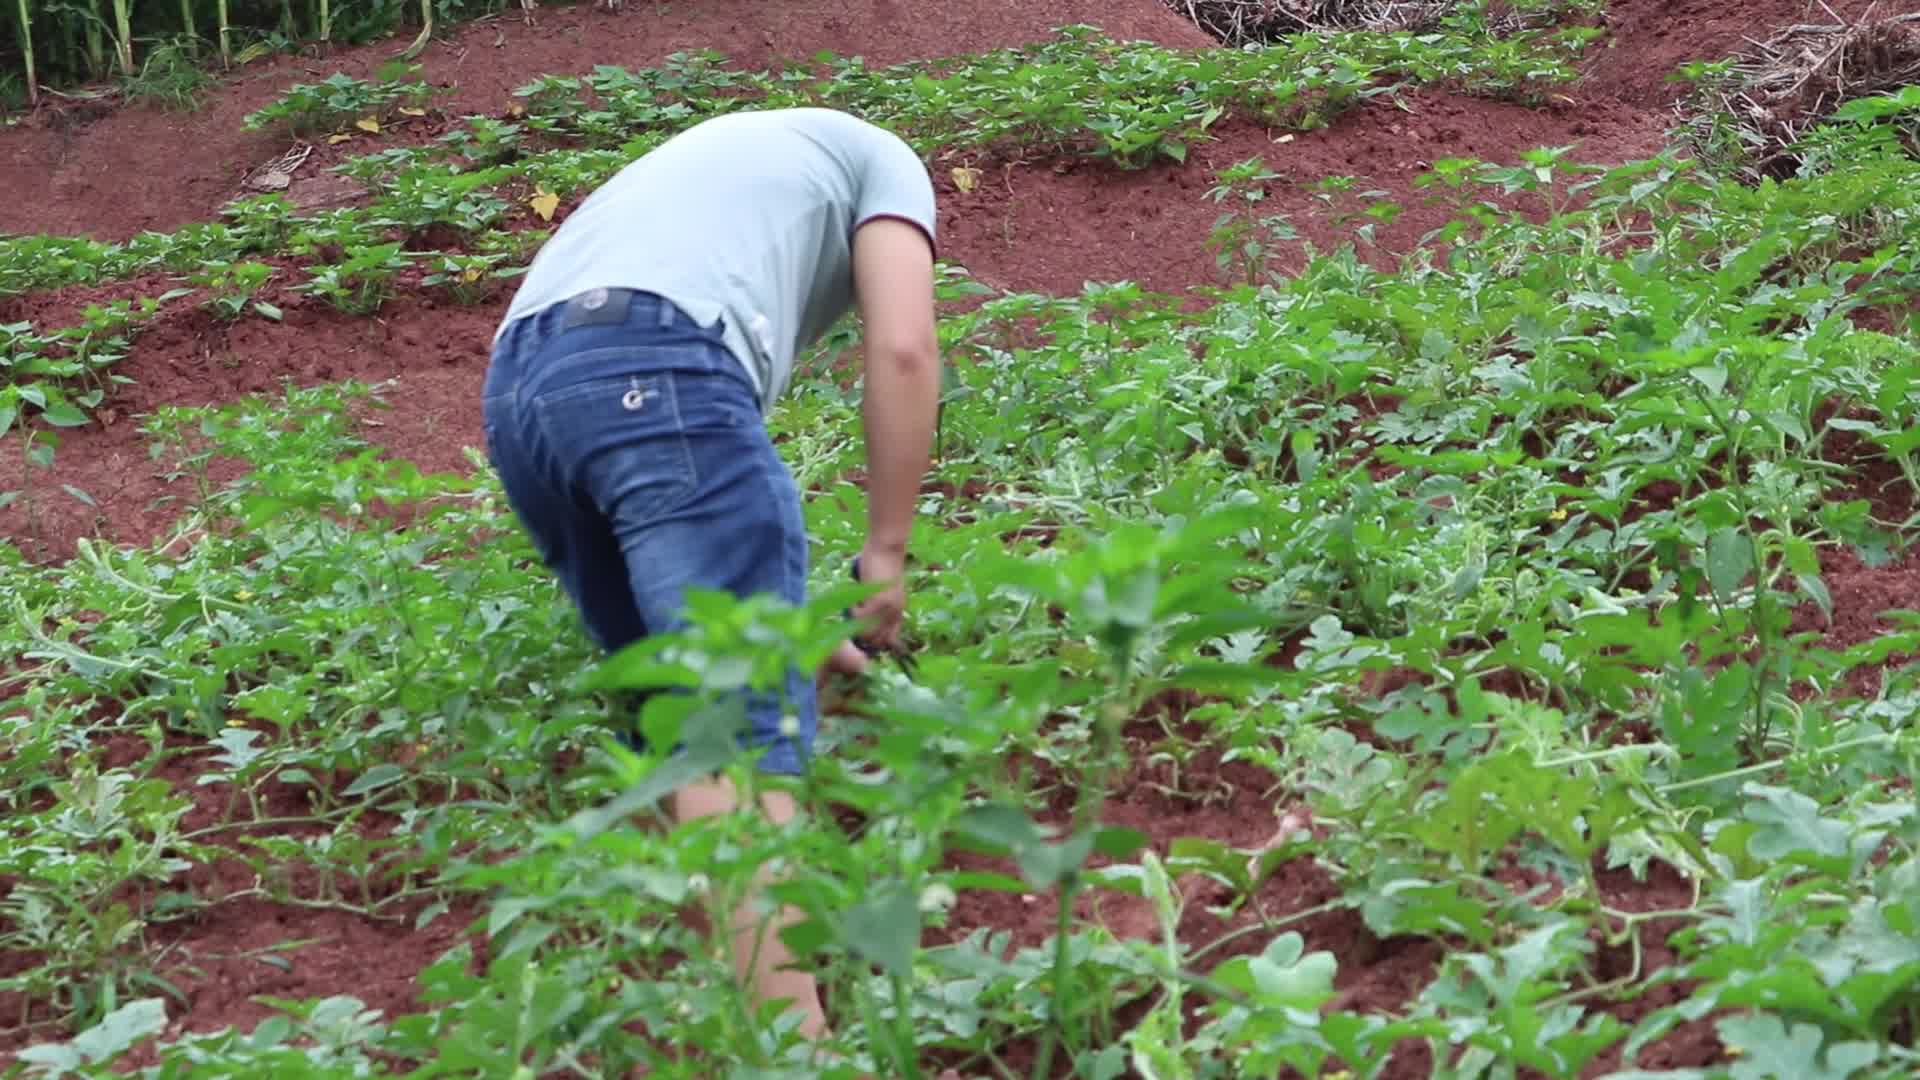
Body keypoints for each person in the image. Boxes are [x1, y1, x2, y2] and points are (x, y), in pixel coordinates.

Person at [479, 107, 941, 1056]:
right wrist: (884, 556)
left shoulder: (727, 158)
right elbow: (903, 347)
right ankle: (795, 1048)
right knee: (735, 733)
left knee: (680, 727)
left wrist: (801, 628)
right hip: (657, 364)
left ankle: (706, 1000)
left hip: (522, 394)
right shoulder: (887, 163)